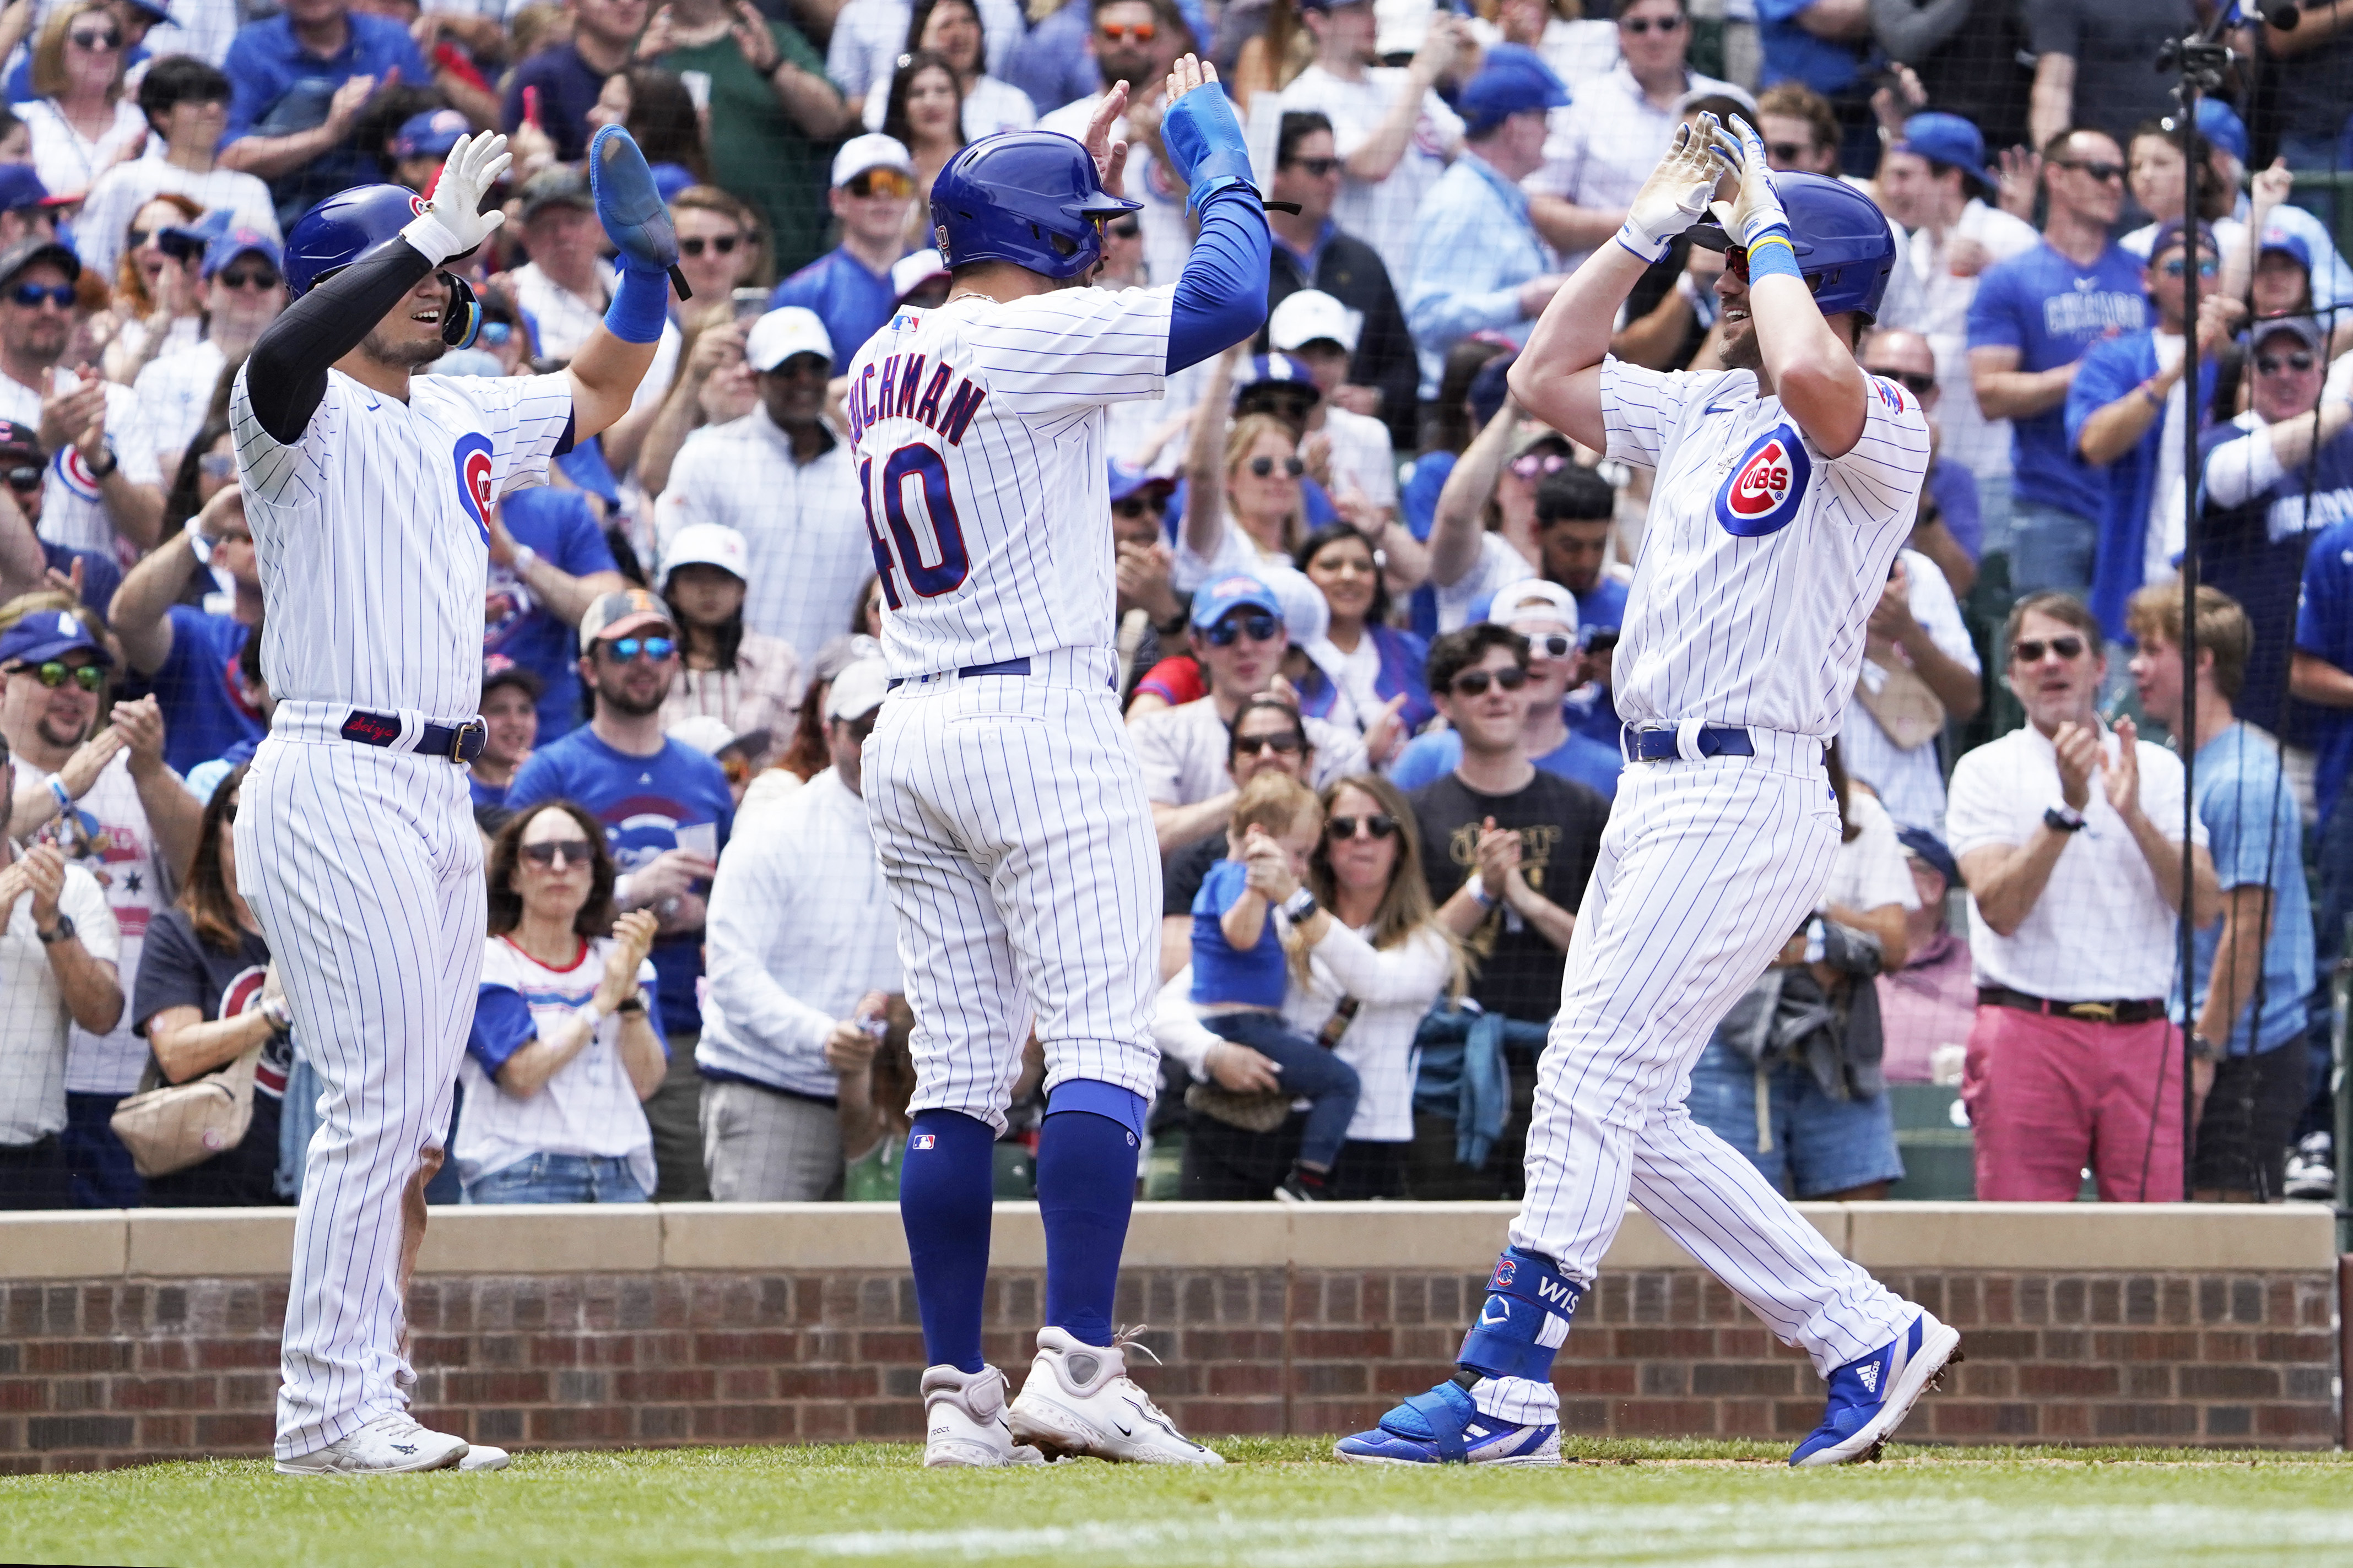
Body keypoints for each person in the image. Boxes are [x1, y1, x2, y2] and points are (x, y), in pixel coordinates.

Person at [1343, 119, 1958, 1471]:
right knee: (1635, 1105)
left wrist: (1768, 226)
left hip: (1753, 781)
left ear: (1812, 269)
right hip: (1657, 779)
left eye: (1742, 254)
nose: (1726, 271)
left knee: (1592, 1072)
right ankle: (1862, 1330)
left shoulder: (1884, 422)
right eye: (1729, 252)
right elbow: (1542, 368)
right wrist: (1646, 224)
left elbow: (1811, 362)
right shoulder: (1698, 405)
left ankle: (1506, 1380)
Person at [842, 59, 1267, 1468]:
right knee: (1099, 1040)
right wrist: (1213, 148)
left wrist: (1068, 152)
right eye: (1079, 226)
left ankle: (956, 1396)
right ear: (1038, 246)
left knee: (959, 1069)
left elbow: (999, 256)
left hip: (911, 722)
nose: (1097, 242)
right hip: (1033, 715)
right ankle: (1081, 1362)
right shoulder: (1023, 339)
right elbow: (1229, 296)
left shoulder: (880, 352)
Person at [230, 129, 668, 1475]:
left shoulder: (460, 403)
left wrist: (647, 272)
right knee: (369, 1100)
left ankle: (371, 1385)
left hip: (438, 782)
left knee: (418, 1122)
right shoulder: (289, 407)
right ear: (350, 275)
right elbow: (278, 357)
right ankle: (324, 1411)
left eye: (456, 259)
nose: (446, 277)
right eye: (420, 261)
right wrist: (417, 232)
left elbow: (603, 386)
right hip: (334, 759)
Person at [1947, 591, 2219, 1203]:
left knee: (2156, 1254)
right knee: (2021, 1249)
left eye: (2065, 648)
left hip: (2143, 1033)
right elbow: (1998, 909)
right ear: (2011, 675)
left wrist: (2131, 815)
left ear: (2099, 667)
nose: (2049, 662)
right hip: (2027, 1028)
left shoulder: (2156, 769)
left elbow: (2203, 907)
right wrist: (2067, 808)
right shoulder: (1983, 770)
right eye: (2030, 651)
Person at [506, 588, 733, 1206]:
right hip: (571, 1025)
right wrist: (633, 890)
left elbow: (738, 903)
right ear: (587, 667)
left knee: (687, 1225)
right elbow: (508, 909)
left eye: (659, 645)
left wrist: (702, 914)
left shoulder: (704, 775)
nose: (644, 660)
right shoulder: (549, 774)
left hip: (680, 1030)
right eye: (624, 647)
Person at [1398, 623, 1605, 1202]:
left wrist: (1525, 899)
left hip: (1560, 1056)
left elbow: (1610, 951)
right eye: (1475, 683)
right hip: (1447, 1058)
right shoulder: (1416, 813)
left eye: (1509, 679)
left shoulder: (1584, 807)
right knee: (1446, 1242)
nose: (1496, 693)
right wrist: (1483, 890)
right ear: (1444, 703)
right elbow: (1403, 957)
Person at [0, 601, 195, 1209]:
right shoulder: (12, 780)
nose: (73, 693)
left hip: (120, 1072)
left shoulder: (135, 775)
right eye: (51, 675)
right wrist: (66, 785)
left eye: (89, 679)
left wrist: (151, 770)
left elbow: (205, 875)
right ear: (3, 682)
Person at [2127, 584, 2313, 1203]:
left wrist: (2203, 1052)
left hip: (2241, 1059)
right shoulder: (2175, 765)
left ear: (2201, 660)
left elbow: (2247, 929)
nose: (2135, 667)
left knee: (2227, 1248)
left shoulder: (2242, 779)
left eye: (2151, 650)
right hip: (2191, 1044)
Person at [696, 657, 898, 1200]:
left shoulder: (948, 833)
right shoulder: (779, 829)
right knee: (757, 1281)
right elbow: (732, 972)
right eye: (863, 730)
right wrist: (822, 1037)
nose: (878, 745)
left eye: (893, 727)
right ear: (830, 732)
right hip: (772, 1096)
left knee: (891, 1284)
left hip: (896, 1101)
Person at [1685, 743, 1915, 1201]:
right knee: (1729, 1225)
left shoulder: (1860, 811)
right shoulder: (1701, 801)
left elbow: (1893, 943)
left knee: (1859, 1216)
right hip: (1726, 1041)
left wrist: (1815, 916)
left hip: (1837, 1038)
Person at [1967, 128, 2148, 597]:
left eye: (2120, 175)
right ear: (2056, 177)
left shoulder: (2143, 275)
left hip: (2136, 505)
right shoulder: (2010, 280)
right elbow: (1988, 393)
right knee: (2051, 652)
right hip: (2049, 505)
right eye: (2101, 172)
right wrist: (2083, 374)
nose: (2116, 185)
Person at [458, 802, 664, 1203]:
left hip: (620, 1173)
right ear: (513, 876)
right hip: (518, 1171)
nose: (558, 866)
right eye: (539, 853)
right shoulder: (488, 962)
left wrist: (628, 999)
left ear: (593, 872)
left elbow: (643, 1084)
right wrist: (600, 1003)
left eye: (575, 853)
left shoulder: (623, 960)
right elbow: (521, 1075)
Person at [2181, 316, 2353, 759]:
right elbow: (2229, 478)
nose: (2284, 375)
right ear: (2247, 375)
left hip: (2340, 715)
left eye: (2299, 361)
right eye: (2267, 364)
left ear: (2320, 367)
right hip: (2257, 719)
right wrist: (2340, 405)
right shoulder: (2220, 444)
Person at [1182, 771, 1360, 1201]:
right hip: (1237, 1026)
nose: (1301, 868)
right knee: (1341, 1082)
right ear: (1258, 837)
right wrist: (1259, 886)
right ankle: (1308, 1181)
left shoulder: (1236, 880)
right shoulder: (1235, 877)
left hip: (1251, 1025)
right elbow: (1239, 934)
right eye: (1298, 853)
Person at [2065, 220, 2238, 646]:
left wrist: (2227, 352)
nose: (2194, 280)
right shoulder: (2116, 357)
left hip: (2222, 582)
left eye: (2206, 268)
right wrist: (2174, 373)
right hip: (2133, 577)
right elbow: (2092, 443)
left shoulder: (2246, 354)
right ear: (2148, 279)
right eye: (2177, 269)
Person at [662, 307, 865, 663]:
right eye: (787, 369)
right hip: (731, 683)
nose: (803, 380)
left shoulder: (863, 469)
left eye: (815, 366)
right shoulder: (706, 458)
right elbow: (679, 581)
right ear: (756, 378)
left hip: (833, 691)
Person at [132, 764, 295, 1207]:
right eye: (236, 815)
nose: (249, 832)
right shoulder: (177, 933)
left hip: (306, 1189)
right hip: (199, 1189)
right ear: (213, 830)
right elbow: (178, 1055)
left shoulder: (325, 938)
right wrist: (276, 1014)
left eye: (269, 818)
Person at [1873, 113, 2040, 533]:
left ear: (1948, 178)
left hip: (1993, 465)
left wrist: (1994, 271)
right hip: (1924, 464)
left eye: (1905, 176)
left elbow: (2051, 328)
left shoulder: (2008, 237)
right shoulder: (1912, 248)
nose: (1893, 191)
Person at [1132, 574, 1370, 854]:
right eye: (1225, 632)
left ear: (1283, 638)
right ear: (1198, 646)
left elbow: (1356, 845)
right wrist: (1257, 795)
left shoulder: (1338, 748)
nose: (1244, 647)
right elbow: (1144, 837)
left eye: (1260, 629)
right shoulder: (1156, 733)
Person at [0, 725, 124, 1209]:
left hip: (31, 1164)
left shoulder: (71, 886)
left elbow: (103, 1016)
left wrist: (53, 926)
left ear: (10, 778)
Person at [1526, 0, 1744, 273]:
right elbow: (1541, 207)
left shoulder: (1731, 102)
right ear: (1619, 33)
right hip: (1604, 282)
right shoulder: (1580, 104)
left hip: (1711, 283)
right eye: (1639, 26)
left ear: (1687, 29)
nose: (1654, 36)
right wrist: (1645, 225)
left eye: (1667, 24)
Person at [1403, 46, 1567, 400]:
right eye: (1543, 118)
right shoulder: (1461, 203)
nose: (1550, 131)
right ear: (1514, 127)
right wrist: (1521, 301)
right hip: (1459, 411)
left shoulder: (1499, 196)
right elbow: (1426, 319)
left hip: (1502, 401)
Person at [1276, 0, 1468, 296]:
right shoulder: (1303, 97)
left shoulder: (1398, 82)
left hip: (1440, 279)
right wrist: (1420, 78)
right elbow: (1373, 166)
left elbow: (1468, 157)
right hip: (1367, 282)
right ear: (1317, 21)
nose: (1371, 19)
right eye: (1355, 10)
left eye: (1370, 8)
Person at [648, 0, 849, 276]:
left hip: (788, 256)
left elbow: (830, 122)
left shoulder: (770, 36)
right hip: (685, 267)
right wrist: (640, 66)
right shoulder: (648, 46)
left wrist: (773, 67)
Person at [1261, 111, 1418, 450]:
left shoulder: (1364, 262)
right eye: (1318, 167)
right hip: (1264, 444)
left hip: (1353, 445)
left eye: (1337, 166)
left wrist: (1377, 399)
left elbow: (1404, 366)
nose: (1334, 179)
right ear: (1277, 174)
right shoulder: (1245, 262)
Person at [0, 237, 164, 558]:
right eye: (29, 295)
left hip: (96, 595)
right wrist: (42, 447)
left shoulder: (112, 402)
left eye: (63, 297)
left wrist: (100, 460)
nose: (49, 309)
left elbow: (154, 533)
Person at [1393, 580, 1620, 800]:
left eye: (1556, 645)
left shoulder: (1612, 773)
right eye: (1523, 645)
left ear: (1575, 662)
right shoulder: (1428, 759)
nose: (1538, 656)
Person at [218, 0, 432, 224]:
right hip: (290, 222)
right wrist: (328, 134)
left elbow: (434, 133)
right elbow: (230, 157)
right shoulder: (251, 47)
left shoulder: (392, 39)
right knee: (310, 95)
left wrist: (388, 108)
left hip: (388, 216)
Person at [74, 56, 278, 286]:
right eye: (197, 101)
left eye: (219, 100)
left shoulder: (252, 189)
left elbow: (271, 272)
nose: (214, 109)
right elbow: (95, 266)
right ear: (161, 115)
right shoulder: (125, 181)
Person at [109, 480, 266, 777]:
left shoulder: (328, 641)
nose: (266, 544)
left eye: (274, 533)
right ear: (220, 556)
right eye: (250, 536)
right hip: (193, 811)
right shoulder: (193, 631)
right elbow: (126, 618)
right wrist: (203, 528)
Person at [125, 228, 286, 480]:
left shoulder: (309, 374)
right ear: (204, 292)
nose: (250, 287)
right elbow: (169, 468)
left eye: (265, 278)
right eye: (234, 277)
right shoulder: (163, 374)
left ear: (282, 294)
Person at [765, 134, 915, 377]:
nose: (883, 196)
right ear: (837, 200)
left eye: (896, 184)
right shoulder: (799, 293)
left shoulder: (939, 279)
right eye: (865, 186)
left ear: (911, 195)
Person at [657, 520, 800, 756]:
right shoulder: (652, 658)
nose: (708, 590)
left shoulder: (779, 659)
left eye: (722, 577)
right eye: (694, 578)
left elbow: (788, 750)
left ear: (743, 590)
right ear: (672, 590)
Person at [1290, 520, 1430, 744]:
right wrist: (1362, 754)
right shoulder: (1284, 657)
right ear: (1303, 577)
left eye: (1363, 567)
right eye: (1331, 566)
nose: (1348, 576)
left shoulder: (1412, 650)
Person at [16, 0, 147, 202]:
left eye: (112, 38)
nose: (101, 47)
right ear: (55, 50)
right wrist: (109, 171)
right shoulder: (24, 121)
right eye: (85, 39)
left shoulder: (144, 121)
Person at [2025, 0, 2196, 151]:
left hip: (2173, 154)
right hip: (2104, 164)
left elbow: (2193, 64)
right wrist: (2057, 162)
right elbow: (2054, 89)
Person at [1876, 826, 1973, 1086]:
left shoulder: (1978, 970)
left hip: (1955, 1113)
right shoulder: (1841, 963)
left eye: (1886, 863)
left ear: (1933, 886)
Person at [863, 0, 1037, 138]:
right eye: (946, 25)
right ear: (921, 33)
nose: (958, 34)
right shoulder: (889, 92)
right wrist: (928, 59)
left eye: (967, 21)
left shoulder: (1014, 102)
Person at [502, 0, 646, 163]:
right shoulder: (540, 75)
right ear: (572, 4)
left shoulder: (654, 78)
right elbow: (519, 175)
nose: (627, 3)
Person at [470, 658, 539, 809]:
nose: (514, 722)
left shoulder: (552, 786)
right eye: (499, 710)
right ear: (473, 720)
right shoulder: (455, 787)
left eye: (524, 710)